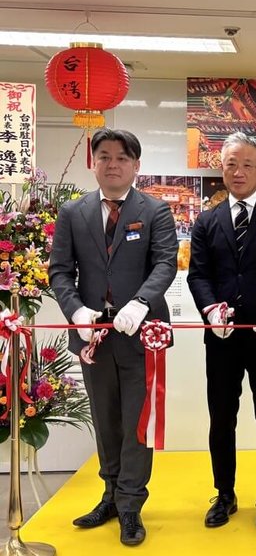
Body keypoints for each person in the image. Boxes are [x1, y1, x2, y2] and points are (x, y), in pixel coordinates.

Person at [49, 128, 178, 546]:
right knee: (106, 418)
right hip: (93, 337)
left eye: (122, 158)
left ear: (136, 165)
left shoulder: (156, 210)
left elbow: (164, 264)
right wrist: (77, 311)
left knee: (137, 423)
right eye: (104, 156)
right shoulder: (73, 212)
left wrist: (141, 302)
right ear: (94, 163)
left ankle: (130, 506)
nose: (113, 164)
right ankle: (109, 494)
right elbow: (59, 271)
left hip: (141, 335)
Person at [187, 132, 256, 531]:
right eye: (232, 163)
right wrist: (210, 309)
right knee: (222, 417)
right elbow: (197, 274)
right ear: (222, 167)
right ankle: (225, 493)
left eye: (248, 164)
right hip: (221, 339)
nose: (239, 171)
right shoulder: (206, 220)